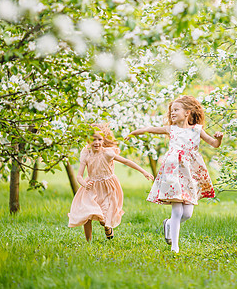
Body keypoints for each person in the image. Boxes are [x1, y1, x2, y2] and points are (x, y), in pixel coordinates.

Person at [126, 95, 223, 253]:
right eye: (171, 110)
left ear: (187, 113)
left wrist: (219, 139)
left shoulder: (197, 129)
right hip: (173, 172)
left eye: (176, 110)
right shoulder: (171, 129)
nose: (172, 113)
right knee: (177, 210)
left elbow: (214, 144)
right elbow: (149, 129)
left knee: (187, 214)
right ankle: (175, 247)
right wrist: (134, 133)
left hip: (190, 172)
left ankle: (169, 224)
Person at [68, 123, 154, 241]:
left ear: (103, 140)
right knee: (86, 212)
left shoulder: (107, 153)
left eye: (99, 139)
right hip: (91, 186)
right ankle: (88, 241)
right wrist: (84, 184)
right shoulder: (86, 154)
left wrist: (144, 172)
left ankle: (107, 226)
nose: (97, 142)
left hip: (107, 187)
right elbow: (79, 176)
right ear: (88, 140)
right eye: (94, 139)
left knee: (103, 219)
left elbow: (126, 161)